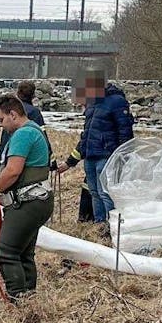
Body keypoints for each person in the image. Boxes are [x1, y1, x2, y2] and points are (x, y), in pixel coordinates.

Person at [0, 95, 54, 300]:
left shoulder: (22, 135)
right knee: (23, 253)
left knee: (5, 251)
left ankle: (18, 299)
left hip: (27, 203)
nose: (1, 126)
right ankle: (30, 297)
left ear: (13, 114)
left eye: (1, 120)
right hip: (39, 201)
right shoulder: (35, 130)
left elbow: (13, 171)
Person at [58, 71, 133, 229]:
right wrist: (69, 163)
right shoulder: (92, 104)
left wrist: (121, 158)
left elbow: (125, 132)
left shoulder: (117, 101)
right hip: (91, 156)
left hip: (106, 156)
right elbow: (86, 137)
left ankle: (112, 227)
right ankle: (100, 224)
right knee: (94, 192)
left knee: (105, 193)